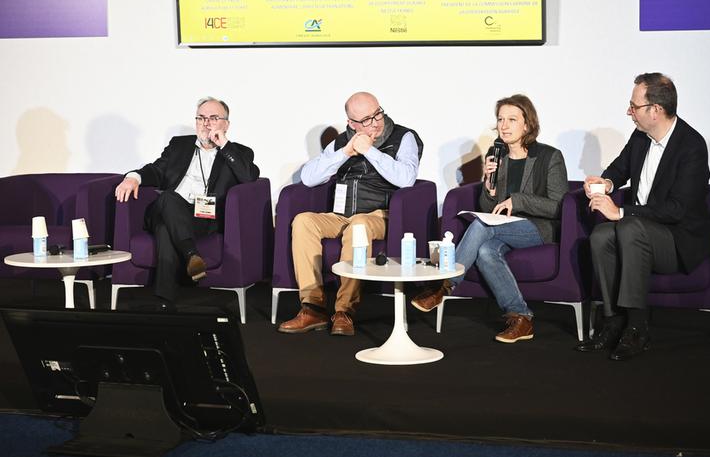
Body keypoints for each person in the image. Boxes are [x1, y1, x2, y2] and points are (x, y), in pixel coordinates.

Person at [575, 73, 710, 360]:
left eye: (633, 106)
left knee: (629, 228)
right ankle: (613, 322)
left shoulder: (692, 146)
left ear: (655, 110)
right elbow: (618, 170)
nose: (629, 112)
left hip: (676, 240)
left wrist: (621, 211)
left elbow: (677, 209)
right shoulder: (640, 137)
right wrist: (603, 185)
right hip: (638, 229)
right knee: (600, 236)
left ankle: (637, 328)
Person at [411, 95, 568, 343]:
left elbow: (561, 206)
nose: (504, 125)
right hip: (502, 228)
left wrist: (519, 201)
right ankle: (521, 317)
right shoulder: (499, 155)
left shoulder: (550, 157)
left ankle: (445, 285)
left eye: (512, 119)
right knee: (485, 251)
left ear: (527, 124)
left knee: (481, 226)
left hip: (538, 227)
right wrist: (489, 186)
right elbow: (489, 208)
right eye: (500, 119)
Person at [278, 91, 423, 336]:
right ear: (352, 124)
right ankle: (312, 307)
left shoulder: (403, 136)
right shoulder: (341, 142)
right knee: (303, 221)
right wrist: (345, 152)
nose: (375, 122)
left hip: (379, 215)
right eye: (366, 120)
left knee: (358, 225)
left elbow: (407, 179)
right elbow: (309, 178)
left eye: (378, 114)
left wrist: (370, 151)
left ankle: (344, 311)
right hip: (340, 215)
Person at [114, 97, 260, 311]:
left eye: (213, 118)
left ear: (225, 124)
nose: (206, 123)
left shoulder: (238, 152)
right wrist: (134, 177)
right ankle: (191, 255)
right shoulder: (179, 145)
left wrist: (224, 146)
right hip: (167, 207)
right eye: (201, 118)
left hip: (203, 218)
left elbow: (249, 177)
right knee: (168, 198)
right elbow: (156, 170)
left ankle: (165, 302)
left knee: (165, 229)